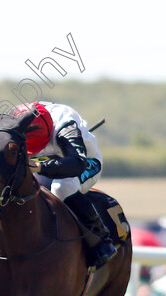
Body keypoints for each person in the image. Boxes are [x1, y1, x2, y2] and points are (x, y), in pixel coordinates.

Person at [13, 101, 117, 269]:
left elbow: (77, 164)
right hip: (46, 161)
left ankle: (101, 239)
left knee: (61, 188)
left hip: (85, 162)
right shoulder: (15, 120)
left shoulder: (66, 125)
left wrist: (39, 167)